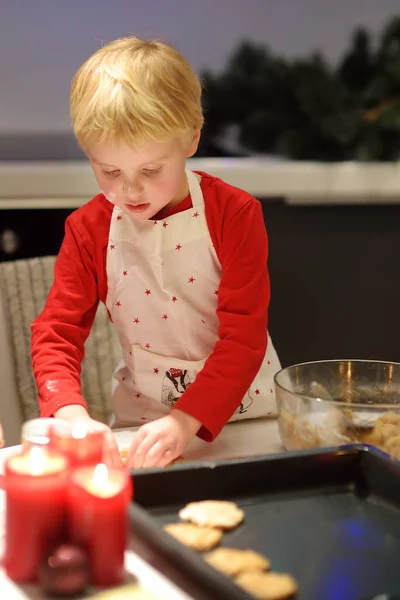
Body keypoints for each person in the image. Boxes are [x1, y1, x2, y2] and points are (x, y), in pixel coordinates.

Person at [31, 36, 281, 468]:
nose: (128, 190)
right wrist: (71, 416)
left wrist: (186, 422)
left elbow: (244, 337)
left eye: (150, 169)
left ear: (191, 138)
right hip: (140, 427)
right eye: (108, 170)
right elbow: (56, 334)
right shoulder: (89, 230)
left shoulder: (233, 215)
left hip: (245, 423)